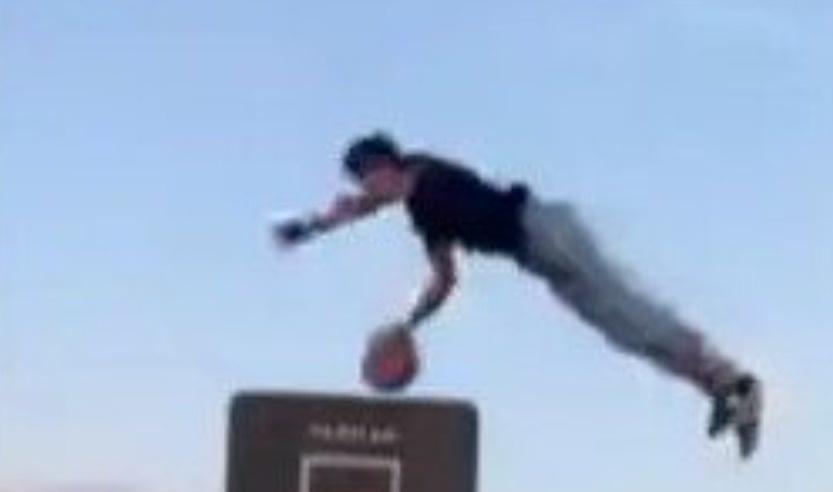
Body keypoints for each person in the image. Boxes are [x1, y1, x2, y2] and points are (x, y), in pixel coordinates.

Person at [273, 132, 764, 458]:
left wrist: (317, 224)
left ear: (383, 167)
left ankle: (735, 381)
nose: (366, 188)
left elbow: (363, 206)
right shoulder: (425, 213)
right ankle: (719, 391)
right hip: (538, 256)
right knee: (624, 332)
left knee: (630, 311)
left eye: (366, 176)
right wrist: (410, 324)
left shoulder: (426, 179)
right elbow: (444, 281)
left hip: (545, 230)